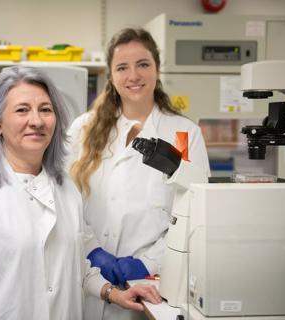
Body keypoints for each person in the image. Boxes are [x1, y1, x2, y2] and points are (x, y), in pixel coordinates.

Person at [0, 66, 162, 320]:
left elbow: (76, 265)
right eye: (22, 110)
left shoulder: (66, 189)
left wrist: (112, 292)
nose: (36, 121)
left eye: (45, 109)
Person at [68, 28, 211, 320]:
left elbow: (196, 214)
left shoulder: (185, 133)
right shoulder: (82, 130)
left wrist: (147, 263)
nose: (133, 75)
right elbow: (63, 202)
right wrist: (92, 250)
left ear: (157, 69)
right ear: (110, 75)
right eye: (122, 67)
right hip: (87, 280)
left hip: (150, 285)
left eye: (143, 64)